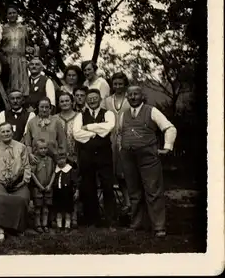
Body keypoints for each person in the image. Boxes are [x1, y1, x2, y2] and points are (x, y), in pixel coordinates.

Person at [119, 86, 177, 238]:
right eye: (130, 95)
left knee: (153, 191)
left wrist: (167, 147)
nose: (133, 97)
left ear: (142, 95)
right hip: (128, 157)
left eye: (136, 94)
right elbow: (120, 133)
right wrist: (121, 148)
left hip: (148, 156)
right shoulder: (123, 114)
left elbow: (170, 128)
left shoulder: (151, 111)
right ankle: (137, 224)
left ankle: (159, 227)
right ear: (127, 97)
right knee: (134, 192)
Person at [73, 88, 116, 230]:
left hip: (104, 156)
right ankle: (92, 220)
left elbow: (109, 127)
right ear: (86, 100)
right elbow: (77, 134)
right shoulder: (80, 116)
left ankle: (111, 220)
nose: (92, 100)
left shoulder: (108, 113)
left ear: (100, 99)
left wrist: (89, 127)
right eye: (89, 98)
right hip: (87, 156)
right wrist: (95, 133)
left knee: (108, 186)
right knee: (88, 187)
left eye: (95, 98)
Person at [0, 123, 32, 241]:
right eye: (3, 132)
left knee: (23, 198)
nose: (6, 134)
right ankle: (0, 229)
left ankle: (17, 228)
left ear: (12, 132)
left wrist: (25, 181)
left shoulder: (21, 147)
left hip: (18, 183)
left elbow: (26, 166)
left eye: (8, 131)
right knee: (0, 198)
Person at [105, 72, 132, 214]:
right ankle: (119, 203)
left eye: (120, 84)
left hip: (126, 138)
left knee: (126, 171)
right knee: (114, 171)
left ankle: (131, 201)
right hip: (110, 139)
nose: (117, 86)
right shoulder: (108, 100)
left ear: (125, 84)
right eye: (115, 84)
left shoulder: (130, 99)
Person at [55, 91, 80, 227]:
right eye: (62, 101)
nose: (64, 103)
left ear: (72, 102)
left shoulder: (79, 117)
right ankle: (57, 217)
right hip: (59, 158)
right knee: (59, 188)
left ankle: (73, 215)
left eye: (67, 101)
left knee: (72, 186)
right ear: (58, 104)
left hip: (75, 155)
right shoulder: (55, 118)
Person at [24, 97, 67, 164]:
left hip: (53, 158)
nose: (44, 110)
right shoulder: (31, 122)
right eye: (42, 107)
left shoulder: (56, 121)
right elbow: (28, 143)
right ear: (37, 107)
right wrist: (30, 154)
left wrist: (60, 156)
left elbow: (62, 141)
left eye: (47, 107)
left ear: (50, 108)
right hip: (37, 159)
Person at [1, 5, 30, 96]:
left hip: (21, 60)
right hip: (8, 60)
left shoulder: (23, 28)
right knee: (9, 86)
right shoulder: (3, 29)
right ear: (6, 16)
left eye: (14, 13)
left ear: (17, 14)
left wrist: (30, 49)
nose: (12, 15)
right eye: (10, 13)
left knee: (22, 86)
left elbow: (27, 44)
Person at [30, 139, 56, 233]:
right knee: (38, 208)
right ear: (36, 149)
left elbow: (53, 173)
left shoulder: (50, 160)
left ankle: (45, 224)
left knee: (46, 208)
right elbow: (32, 174)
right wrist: (39, 186)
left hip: (48, 187)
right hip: (38, 188)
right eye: (41, 148)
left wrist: (50, 185)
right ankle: (38, 225)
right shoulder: (35, 160)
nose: (43, 150)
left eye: (45, 148)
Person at [53, 153, 78, 231]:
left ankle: (67, 225)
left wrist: (76, 190)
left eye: (63, 159)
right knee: (58, 210)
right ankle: (59, 225)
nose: (61, 161)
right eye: (59, 159)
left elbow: (75, 181)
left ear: (66, 159)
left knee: (68, 210)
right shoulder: (55, 170)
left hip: (67, 192)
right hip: (58, 192)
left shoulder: (69, 169)